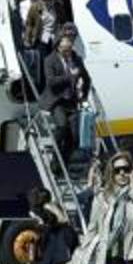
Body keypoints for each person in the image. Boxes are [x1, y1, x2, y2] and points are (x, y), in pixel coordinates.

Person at [42, 36, 91, 167]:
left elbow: (87, 79)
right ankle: (55, 156)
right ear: (58, 47)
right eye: (65, 49)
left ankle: (62, 162)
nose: (67, 52)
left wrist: (84, 96)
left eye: (69, 49)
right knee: (62, 126)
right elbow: (51, 82)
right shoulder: (49, 60)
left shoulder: (76, 59)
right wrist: (70, 77)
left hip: (72, 101)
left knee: (74, 137)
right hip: (57, 101)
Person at [28, 187, 77, 264]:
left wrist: (53, 208)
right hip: (52, 243)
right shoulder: (37, 211)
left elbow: (63, 220)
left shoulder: (47, 209)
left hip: (58, 243)